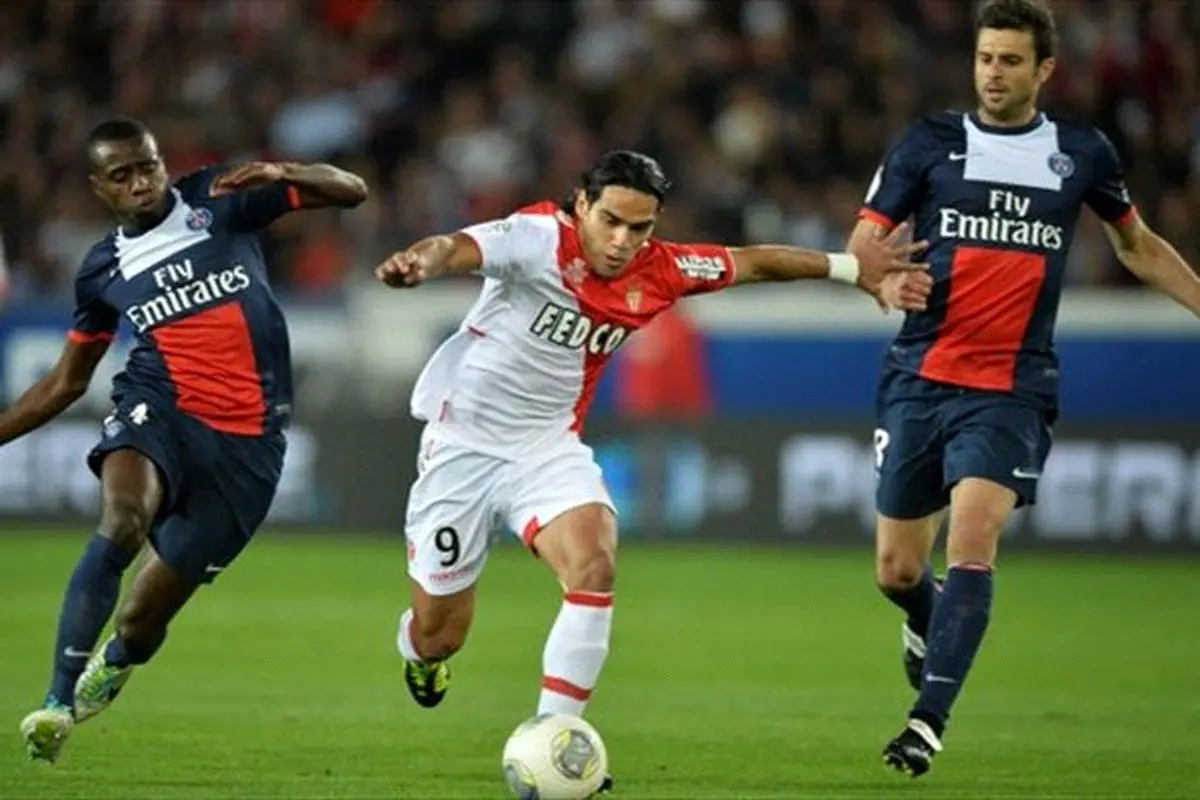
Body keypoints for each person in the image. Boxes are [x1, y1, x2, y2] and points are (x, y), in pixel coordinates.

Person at [374, 149, 931, 792]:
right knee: (441, 634)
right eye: (610, 221)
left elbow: (754, 262)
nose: (622, 241)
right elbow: (456, 247)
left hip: (546, 448)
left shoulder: (663, 269)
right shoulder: (535, 238)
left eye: (639, 227)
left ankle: (558, 739)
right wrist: (421, 261)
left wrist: (851, 268)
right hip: (462, 448)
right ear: (582, 205)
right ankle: (420, 654)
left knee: (594, 566)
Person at [849, 0, 1200, 778]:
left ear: (1044, 70)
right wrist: (884, 281)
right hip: (918, 377)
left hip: (1010, 388)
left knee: (974, 541)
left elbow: (1137, 245)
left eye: (1010, 61)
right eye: (985, 59)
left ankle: (926, 723)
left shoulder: (1081, 153)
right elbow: (866, 243)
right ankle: (925, 618)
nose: (993, 74)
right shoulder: (928, 143)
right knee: (898, 571)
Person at [10, 117, 368, 762]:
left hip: (250, 441)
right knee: (122, 521)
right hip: (160, 407)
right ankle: (56, 703)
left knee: (140, 621)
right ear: (99, 187)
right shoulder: (102, 269)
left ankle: (118, 660)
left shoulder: (218, 196)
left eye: (147, 166)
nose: (140, 183)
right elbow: (66, 383)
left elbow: (352, 191)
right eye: (121, 175)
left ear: (161, 162)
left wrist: (284, 172)